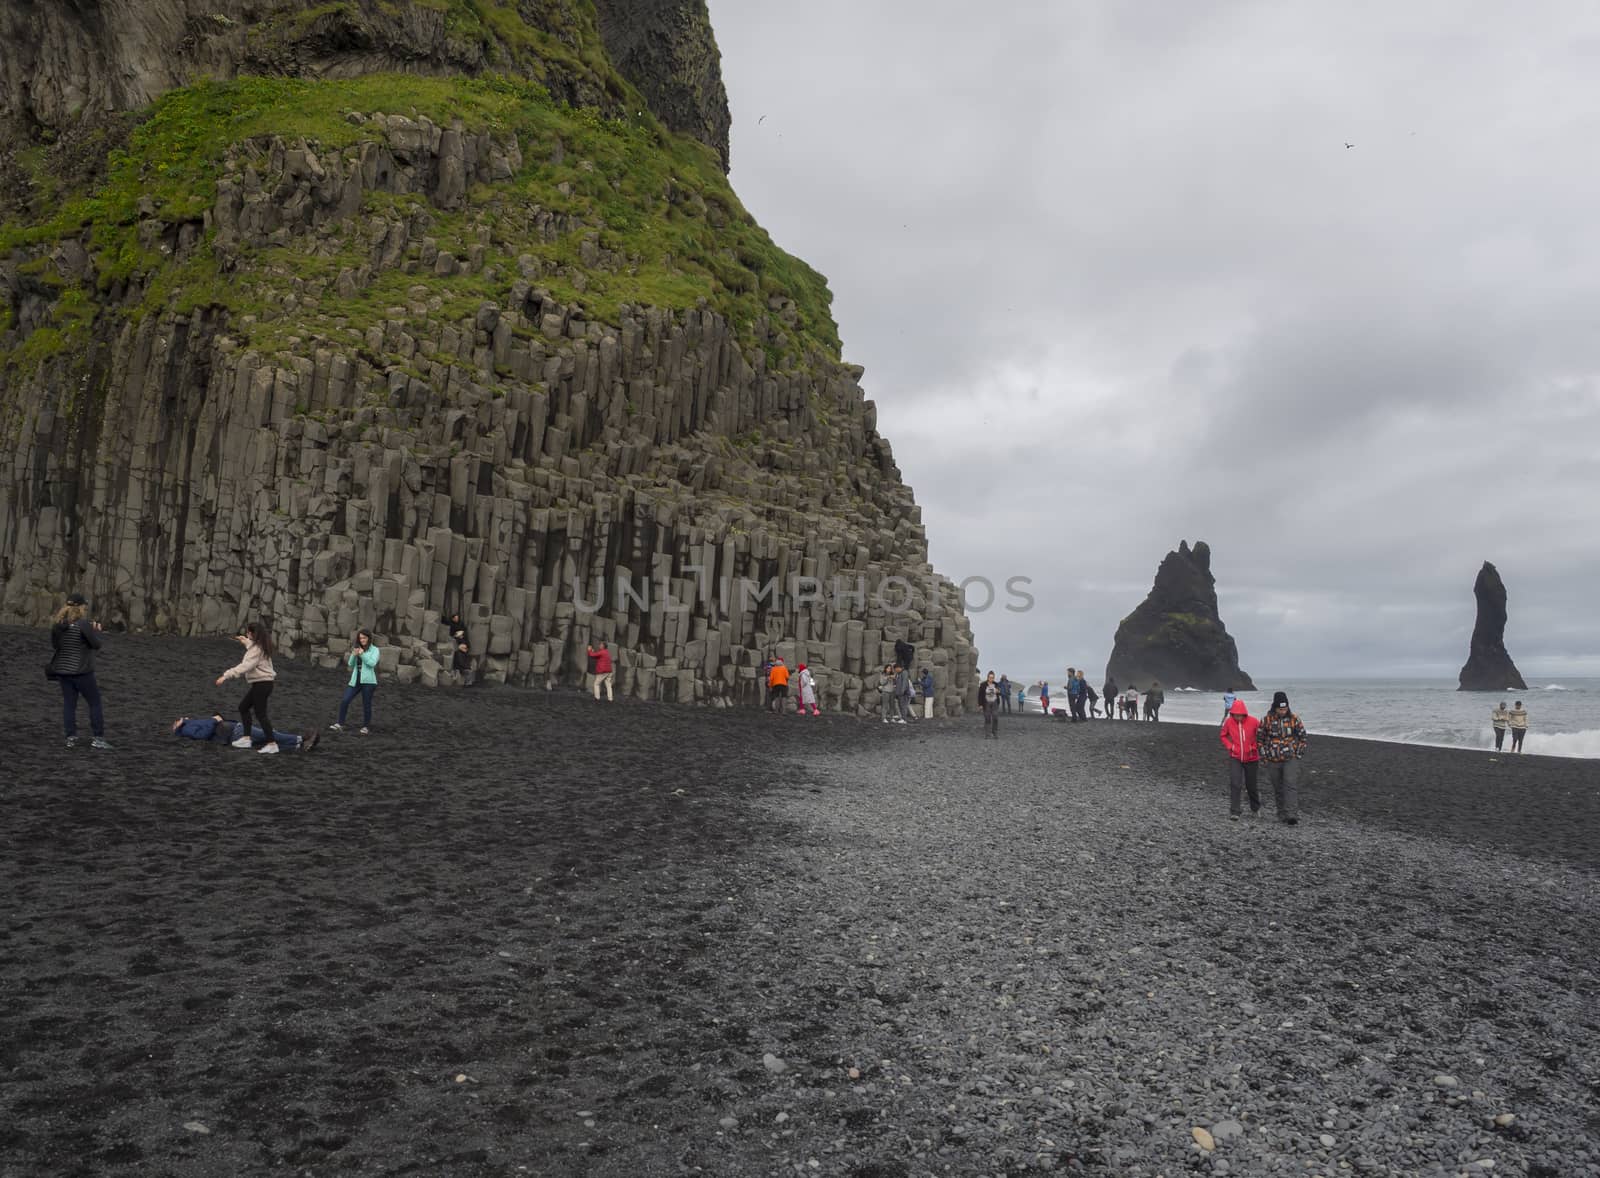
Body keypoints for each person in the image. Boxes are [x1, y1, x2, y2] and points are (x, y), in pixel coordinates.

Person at [47, 592, 112, 749]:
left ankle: (71, 738)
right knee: (94, 703)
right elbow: (96, 645)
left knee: (69, 704)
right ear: (81, 607)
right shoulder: (83, 625)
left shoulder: (58, 625)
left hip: (63, 671)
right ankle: (98, 738)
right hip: (82, 671)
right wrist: (95, 630)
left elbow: (56, 646)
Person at [215, 621, 280, 754]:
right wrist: (245, 641)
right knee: (243, 707)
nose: (246, 634)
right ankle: (246, 738)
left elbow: (245, 666)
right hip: (263, 684)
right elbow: (253, 649)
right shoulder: (260, 645)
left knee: (261, 715)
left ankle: (272, 744)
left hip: (262, 685)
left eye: (247, 633)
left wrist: (225, 676)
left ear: (251, 633)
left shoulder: (256, 649)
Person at [1257, 690, 1307, 824]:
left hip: (1290, 759)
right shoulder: (1266, 720)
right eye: (1280, 708)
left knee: (1290, 785)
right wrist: (1264, 757)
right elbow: (1260, 740)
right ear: (1275, 707)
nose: (1283, 711)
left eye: (1285, 708)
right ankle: (1282, 814)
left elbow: (1303, 737)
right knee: (1278, 788)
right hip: (1272, 760)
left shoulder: (1294, 719)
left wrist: (1298, 754)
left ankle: (1292, 815)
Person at [172, 715, 317, 752]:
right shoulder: (186, 728)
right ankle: (301, 739)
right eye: (178, 720)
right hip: (234, 731)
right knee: (269, 734)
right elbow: (202, 735)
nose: (183, 718)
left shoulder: (188, 726)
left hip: (230, 734)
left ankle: (298, 747)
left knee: (265, 742)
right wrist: (214, 720)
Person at [1219, 698, 1262, 819]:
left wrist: (1253, 747)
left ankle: (1255, 808)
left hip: (1252, 758)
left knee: (1251, 785)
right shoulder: (1228, 722)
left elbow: (1261, 737)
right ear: (1232, 713)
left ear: (1244, 713)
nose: (1238, 718)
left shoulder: (1254, 721)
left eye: (1240, 715)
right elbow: (1223, 735)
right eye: (1236, 715)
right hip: (1235, 757)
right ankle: (1235, 811)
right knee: (1235, 783)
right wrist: (1230, 746)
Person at [331, 629, 381, 732]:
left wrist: (362, 654)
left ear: (369, 638)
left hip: (369, 682)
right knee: (345, 700)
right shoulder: (357, 648)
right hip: (355, 680)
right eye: (360, 638)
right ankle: (340, 724)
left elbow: (372, 663)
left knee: (366, 704)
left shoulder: (375, 650)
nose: (362, 640)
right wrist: (354, 654)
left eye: (364, 638)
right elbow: (350, 664)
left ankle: (366, 727)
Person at [450, 612, 473, 687]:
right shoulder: (458, 649)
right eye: (455, 618)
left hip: (463, 664)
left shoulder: (464, 641)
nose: (457, 619)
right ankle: (467, 684)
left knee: (468, 671)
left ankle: (468, 683)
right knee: (468, 671)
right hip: (460, 666)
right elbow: (459, 662)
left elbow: (467, 646)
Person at [978, 671, 1002, 739]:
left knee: (995, 718)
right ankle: (987, 734)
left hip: (994, 703)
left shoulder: (996, 684)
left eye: (993, 677)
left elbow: (999, 693)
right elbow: (980, 695)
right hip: (986, 703)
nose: (991, 679)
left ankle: (995, 733)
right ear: (988, 677)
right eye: (990, 677)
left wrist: (998, 691)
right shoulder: (983, 684)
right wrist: (980, 704)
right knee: (987, 718)